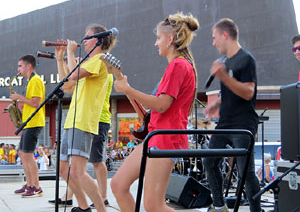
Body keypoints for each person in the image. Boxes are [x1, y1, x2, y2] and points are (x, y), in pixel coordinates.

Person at [110, 12, 199, 212]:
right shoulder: (176, 66)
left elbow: (162, 105)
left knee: (153, 205)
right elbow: (153, 113)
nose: (155, 43)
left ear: (170, 39)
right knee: (118, 185)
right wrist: (127, 90)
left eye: (158, 38)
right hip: (156, 137)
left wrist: (128, 90)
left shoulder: (178, 65)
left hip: (167, 140)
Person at [203, 18, 261, 212]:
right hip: (225, 123)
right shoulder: (225, 61)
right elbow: (229, 91)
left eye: (214, 37)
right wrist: (216, 104)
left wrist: (224, 77)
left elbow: (248, 92)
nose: (213, 42)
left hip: (243, 124)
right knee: (209, 162)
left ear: (225, 35)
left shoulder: (246, 59)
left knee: (245, 172)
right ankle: (219, 207)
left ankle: (255, 210)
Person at [58, 23, 116, 212]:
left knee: (78, 172)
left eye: (88, 36)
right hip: (72, 120)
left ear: (98, 40)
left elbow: (73, 75)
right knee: (63, 169)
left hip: (84, 121)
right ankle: (83, 207)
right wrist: (61, 59)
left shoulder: (100, 60)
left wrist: (70, 52)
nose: (83, 40)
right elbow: (66, 86)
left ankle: (101, 209)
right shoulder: (87, 62)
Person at [11, 54, 45, 197]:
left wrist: (19, 97)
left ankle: (36, 186)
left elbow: (36, 103)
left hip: (34, 122)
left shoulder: (36, 80)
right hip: (28, 122)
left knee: (28, 154)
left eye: (20, 66)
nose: (18, 69)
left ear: (28, 66)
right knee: (22, 154)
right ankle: (29, 183)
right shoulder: (30, 81)